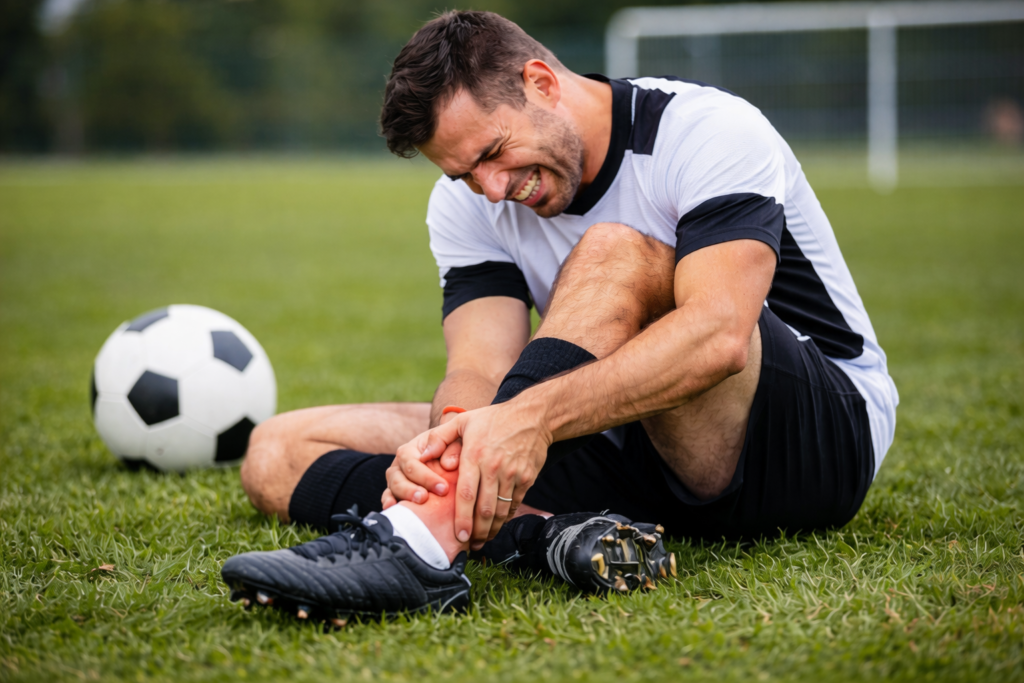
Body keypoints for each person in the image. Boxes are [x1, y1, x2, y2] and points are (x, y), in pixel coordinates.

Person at [221, 10, 898, 622]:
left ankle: (421, 542)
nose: (491, 189)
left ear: (541, 83)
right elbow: (480, 366)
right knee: (279, 448)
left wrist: (529, 422)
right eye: (464, 174)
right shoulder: (469, 201)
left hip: (811, 440)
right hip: (624, 431)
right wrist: (453, 440)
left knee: (616, 249)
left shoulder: (705, 130)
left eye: (492, 153)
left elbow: (719, 337)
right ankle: (547, 537)